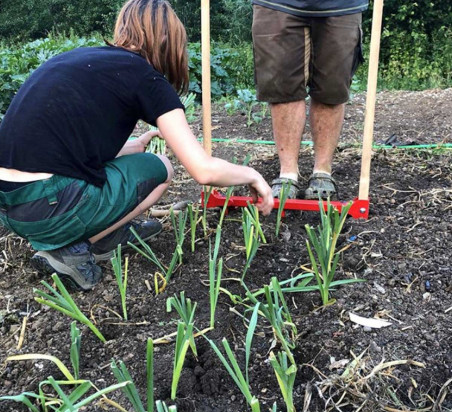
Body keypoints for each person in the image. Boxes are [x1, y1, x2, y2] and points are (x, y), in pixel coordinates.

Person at [0, 0, 273, 291]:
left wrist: (134, 145)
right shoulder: (145, 78)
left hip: (10, 206)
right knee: (161, 168)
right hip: (52, 206)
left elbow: (62, 145)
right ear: (169, 39)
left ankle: (107, 236)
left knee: (134, 160)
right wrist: (253, 175)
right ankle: (72, 250)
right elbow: (203, 171)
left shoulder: (81, 59)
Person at [251, 0, 368, 199]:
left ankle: (322, 172)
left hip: (341, 5)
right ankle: (287, 174)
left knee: (331, 89)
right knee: (282, 89)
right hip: (277, 4)